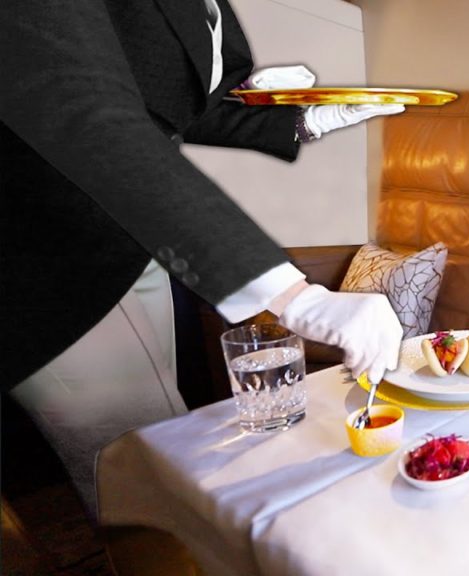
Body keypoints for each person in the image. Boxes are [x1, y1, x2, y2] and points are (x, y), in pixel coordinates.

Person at [0, 0, 404, 515]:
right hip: (46, 250)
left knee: (164, 428)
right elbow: (84, 108)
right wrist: (297, 298)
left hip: (133, 234)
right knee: (139, 458)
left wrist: (306, 120)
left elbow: (178, 105)